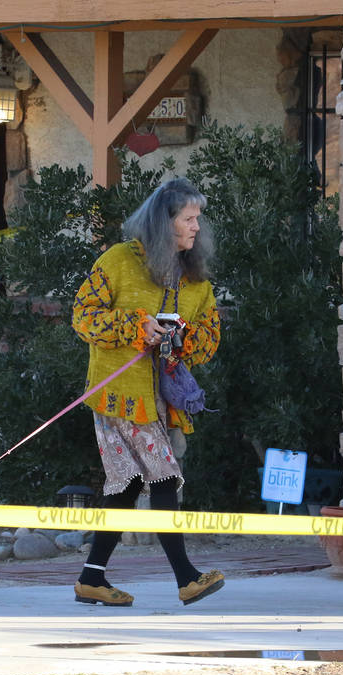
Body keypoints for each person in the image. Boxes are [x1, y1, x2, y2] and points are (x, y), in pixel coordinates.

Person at [70, 177, 224, 607]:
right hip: (118, 393)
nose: (196, 227)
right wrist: (135, 328)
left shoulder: (197, 281)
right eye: (188, 218)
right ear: (164, 222)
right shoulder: (118, 261)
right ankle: (187, 578)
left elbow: (211, 337)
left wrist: (185, 338)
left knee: (129, 483)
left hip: (163, 400)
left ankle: (91, 578)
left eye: (198, 218)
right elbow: (83, 317)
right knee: (164, 475)